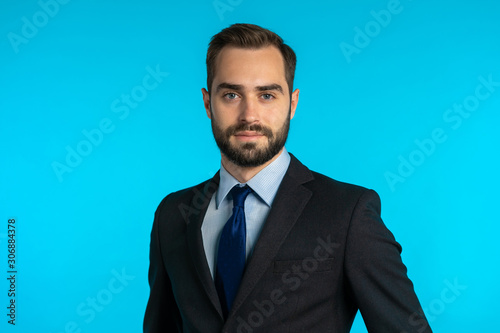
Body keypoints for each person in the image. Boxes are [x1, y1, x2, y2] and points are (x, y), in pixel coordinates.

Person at [144, 23, 432, 333]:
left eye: (267, 95)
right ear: (207, 103)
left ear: (292, 104)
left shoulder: (348, 213)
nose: (249, 115)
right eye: (231, 94)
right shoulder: (172, 215)